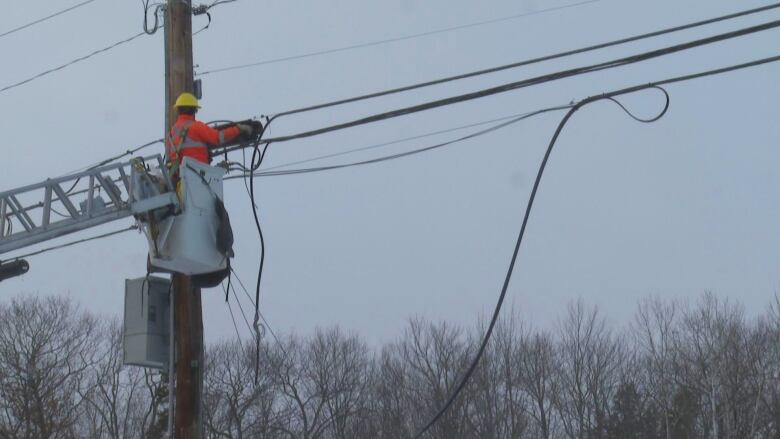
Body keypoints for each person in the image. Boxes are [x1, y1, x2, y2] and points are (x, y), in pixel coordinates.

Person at [165, 92, 254, 172]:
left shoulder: (171, 133)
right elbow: (218, 137)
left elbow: (169, 159)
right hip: (197, 175)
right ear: (194, 110)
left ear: (178, 110)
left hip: (179, 178)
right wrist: (238, 129)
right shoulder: (196, 126)